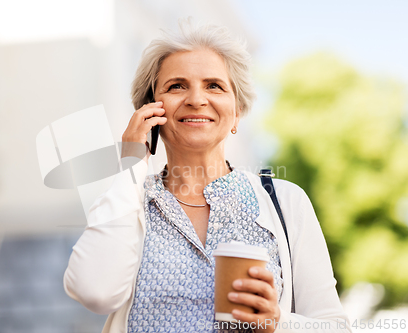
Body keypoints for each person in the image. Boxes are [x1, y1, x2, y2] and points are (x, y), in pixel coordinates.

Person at [63, 21, 352, 333]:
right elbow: (95, 292)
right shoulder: (128, 200)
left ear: (237, 111)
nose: (196, 99)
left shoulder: (285, 201)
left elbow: (335, 328)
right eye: (176, 86)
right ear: (150, 109)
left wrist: (277, 323)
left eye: (214, 85)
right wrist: (132, 163)